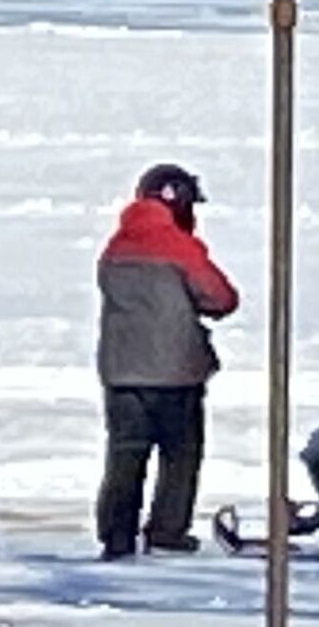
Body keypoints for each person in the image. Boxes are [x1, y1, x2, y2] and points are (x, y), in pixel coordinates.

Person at [95, 162, 238, 559]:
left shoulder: (115, 247)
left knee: (125, 455)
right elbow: (221, 298)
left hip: (121, 371)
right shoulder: (179, 247)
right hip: (175, 373)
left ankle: (115, 534)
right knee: (179, 454)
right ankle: (167, 529)